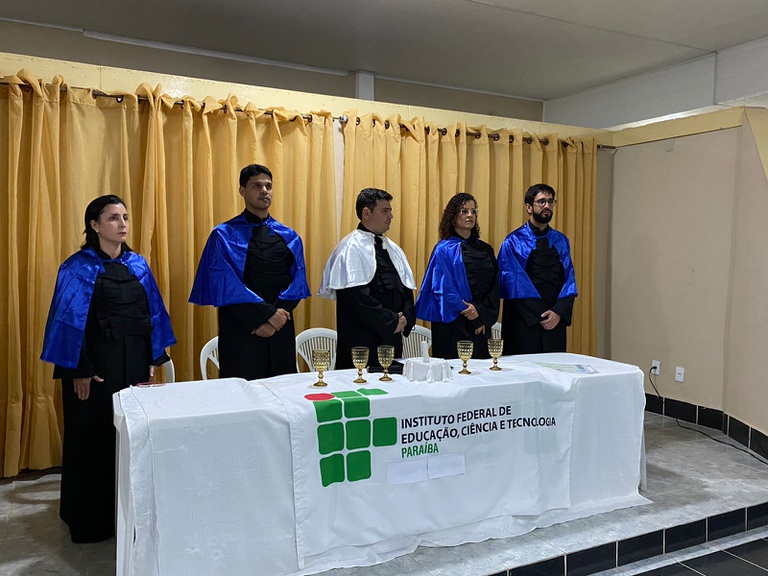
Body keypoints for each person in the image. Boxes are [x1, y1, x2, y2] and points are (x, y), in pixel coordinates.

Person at [41, 195, 176, 543]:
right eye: (113, 218)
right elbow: (68, 322)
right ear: (95, 225)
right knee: (92, 439)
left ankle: (128, 519)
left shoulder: (138, 265)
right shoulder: (77, 267)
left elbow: (153, 313)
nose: (122, 224)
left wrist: (153, 357)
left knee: (130, 439)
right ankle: (89, 522)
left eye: (125, 217)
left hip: (134, 366)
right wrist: (79, 369)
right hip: (94, 370)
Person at [189, 164, 310, 379]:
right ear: (242, 191)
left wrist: (276, 318)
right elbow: (226, 284)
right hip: (242, 329)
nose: (264, 191)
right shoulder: (223, 235)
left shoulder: (289, 236)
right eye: (257, 186)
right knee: (242, 390)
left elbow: (297, 282)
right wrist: (266, 317)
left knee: (283, 389)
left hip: (280, 328)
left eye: (268, 186)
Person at [319, 188, 416, 369]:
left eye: (390, 210)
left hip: (392, 342)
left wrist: (405, 319)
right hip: (361, 344)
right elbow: (357, 299)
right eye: (385, 211)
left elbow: (406, 291)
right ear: (366, 213)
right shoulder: (349, 248)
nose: (391, 216)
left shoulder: (394, 249)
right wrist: (393, 321)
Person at [415, 193, 499, 359]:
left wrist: (481, 313)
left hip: (482, 322)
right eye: (464, 211)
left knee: (481, 370)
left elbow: (495, 286)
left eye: (473, 211)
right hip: (453, 324)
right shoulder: (443, 249)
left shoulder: (486, 249)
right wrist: (473, 317)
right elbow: (445, 290)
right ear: (453, 216)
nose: (470, 215)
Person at [498, 183, 577, 355]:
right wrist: (540, 315)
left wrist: (558, 312)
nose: (547, 206)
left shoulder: (561, 241)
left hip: (555, 321)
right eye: (541, 202)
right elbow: (513, 283)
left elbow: (569, 280)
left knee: (554, 367)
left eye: (550, 201)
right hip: (523, 322)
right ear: (529, 207)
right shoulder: (513, 242)